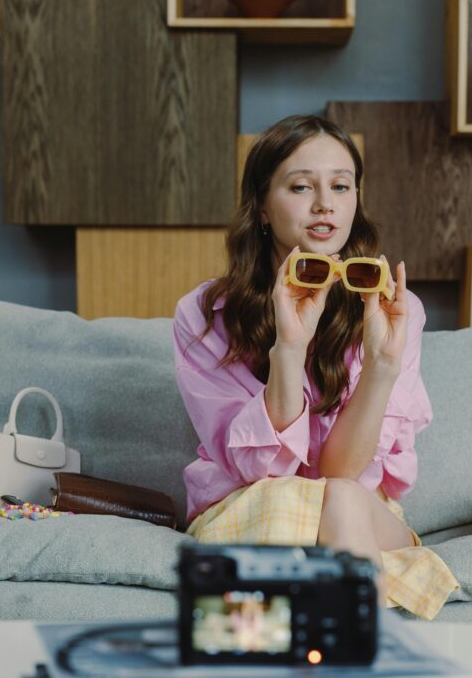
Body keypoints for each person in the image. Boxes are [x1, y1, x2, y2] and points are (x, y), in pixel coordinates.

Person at [173, 115, 457, 619]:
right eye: (301, 186)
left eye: (341, 186)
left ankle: (280, 641)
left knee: (344, 498)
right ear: (262, 206)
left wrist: (383, 367)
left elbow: (341, 474)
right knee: (313, 504)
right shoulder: (202, 314)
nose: (325, 203)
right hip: (253, 508)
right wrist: (289, 347)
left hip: (360, 514)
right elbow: (257, 472)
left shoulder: (395, 309)